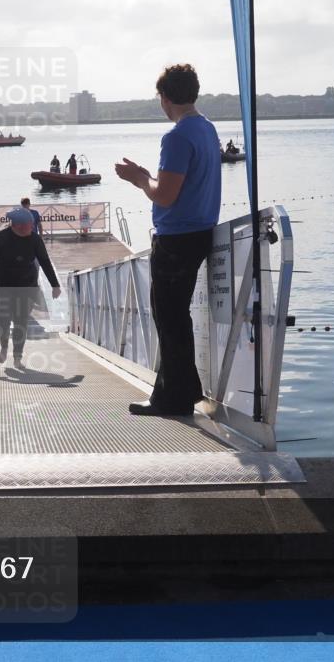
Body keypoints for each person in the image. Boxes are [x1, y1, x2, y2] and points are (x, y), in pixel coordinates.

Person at [114, 63, 221, 417]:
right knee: (177, 317)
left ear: (165, 98)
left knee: (169, 318)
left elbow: (166, 196)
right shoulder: (207, 129)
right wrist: (148, 176)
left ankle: (171, 399)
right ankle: (185, 389)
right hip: (200, 232)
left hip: (176, 239)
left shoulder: (176, 137)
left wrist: (139, 180)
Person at [0, 208, 61, 369]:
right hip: (2, 284)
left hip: (27, 285)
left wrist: (55, 285)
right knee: (2, 320)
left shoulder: (35, 239)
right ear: (16, 225)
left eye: (32, 225)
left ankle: (17, 357)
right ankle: (4, 346)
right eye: (28, 225)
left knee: (21, 321)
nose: (31, 228)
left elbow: (45, 261)